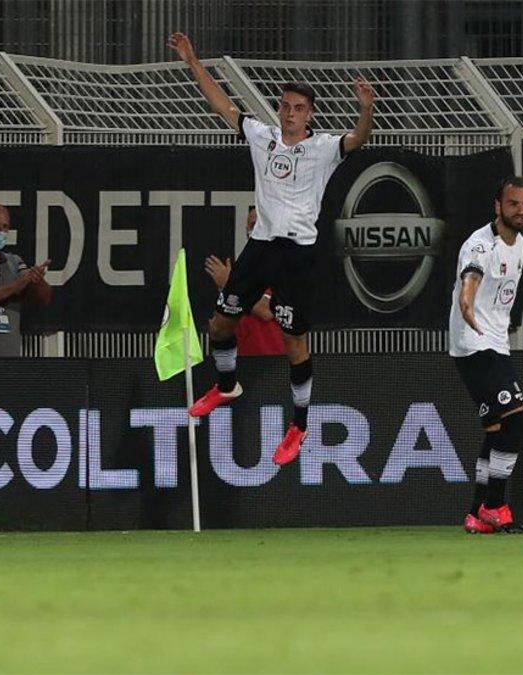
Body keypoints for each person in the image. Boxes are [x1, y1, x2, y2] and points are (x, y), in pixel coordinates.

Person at [168, 31, 374, 465]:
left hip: (297, 255)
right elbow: (222, 106)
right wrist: (192, 61)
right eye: (285, 106)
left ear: (311, 114)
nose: (290, 113)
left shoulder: (323, 148)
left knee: (293, 342)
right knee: (220, 326)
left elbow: (357, 140)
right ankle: (226, 385)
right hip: (259, 247)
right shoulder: (262, 137)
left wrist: (366, 110)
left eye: (299, 108)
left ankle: (299, 425)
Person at [450, 177, 523, 534]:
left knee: (497, 428)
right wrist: (466, 300)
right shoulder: (481, 244)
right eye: (513, 203)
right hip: (474, 342)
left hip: (496, 342)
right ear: (498, 206)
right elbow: (472, 273)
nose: (520, 210)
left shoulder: (521, 243)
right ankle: (496, 504)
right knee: (517, 419)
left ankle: (475, 513)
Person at [204, 208, 284, 356]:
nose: (255, 229)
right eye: (252, 226)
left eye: (260, 224)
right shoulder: (241, 270)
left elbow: (266, 311)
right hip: (242, 358)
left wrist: (229, 283)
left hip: (274, 359)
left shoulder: (281, 265)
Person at [0, 203, 51, 358]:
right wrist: (16, 285)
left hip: (9, 363)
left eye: (5, 227)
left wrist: (37, 279)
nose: (1, 232)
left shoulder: (14, 262)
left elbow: (44, 298)